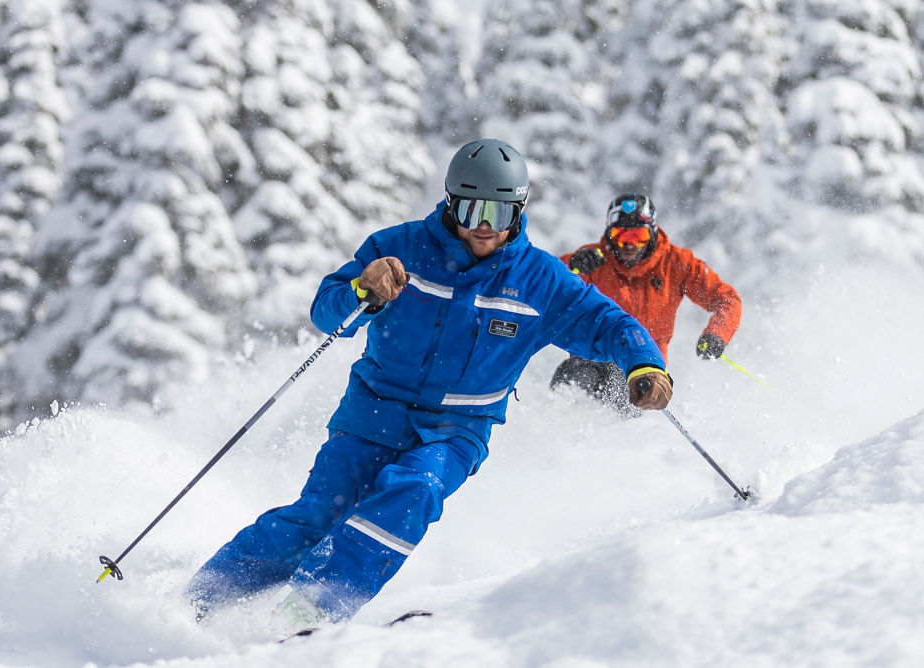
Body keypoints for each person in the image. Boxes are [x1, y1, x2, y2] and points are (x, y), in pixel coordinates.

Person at [185, 140, 673, 633]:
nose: (484, 224)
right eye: (471, 207)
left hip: (455, 430)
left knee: (415, 490)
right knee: (314, 519)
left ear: (518, 210)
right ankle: (197, 602)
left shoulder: (539, 281)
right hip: (371, 414)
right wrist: (362, 290)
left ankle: (311, 611)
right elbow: (326, 310)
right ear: (449, 200)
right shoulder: (398, 250)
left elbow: (611, 323)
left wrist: (644, 364)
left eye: (499, 211)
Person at [550, 193, 741, 416]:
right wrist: (571, 266)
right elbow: (545, 285)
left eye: (638, 236)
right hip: (593, 358)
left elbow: (727, 299)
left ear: (652, 232)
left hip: (645, 364)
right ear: (609, 234)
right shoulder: (593, 260)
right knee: (570, 378)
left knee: (624, 392)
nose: (629, 245)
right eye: (621, 236)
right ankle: (557, 432)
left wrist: (717, 333)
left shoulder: (676, 263)